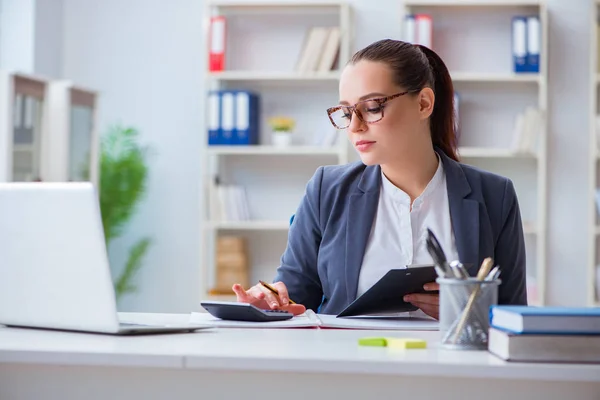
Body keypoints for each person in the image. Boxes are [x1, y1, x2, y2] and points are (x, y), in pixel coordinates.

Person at [232, 39, 528, 320]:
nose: (355, 127)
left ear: (424, 103)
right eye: (346, 112)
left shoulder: (494, 195)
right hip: (351, 366)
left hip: (454, 366)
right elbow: (294, 294)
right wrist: (271, 301)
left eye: (372, 107)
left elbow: (514, 314)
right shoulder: (327, 189)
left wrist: (470, 311)